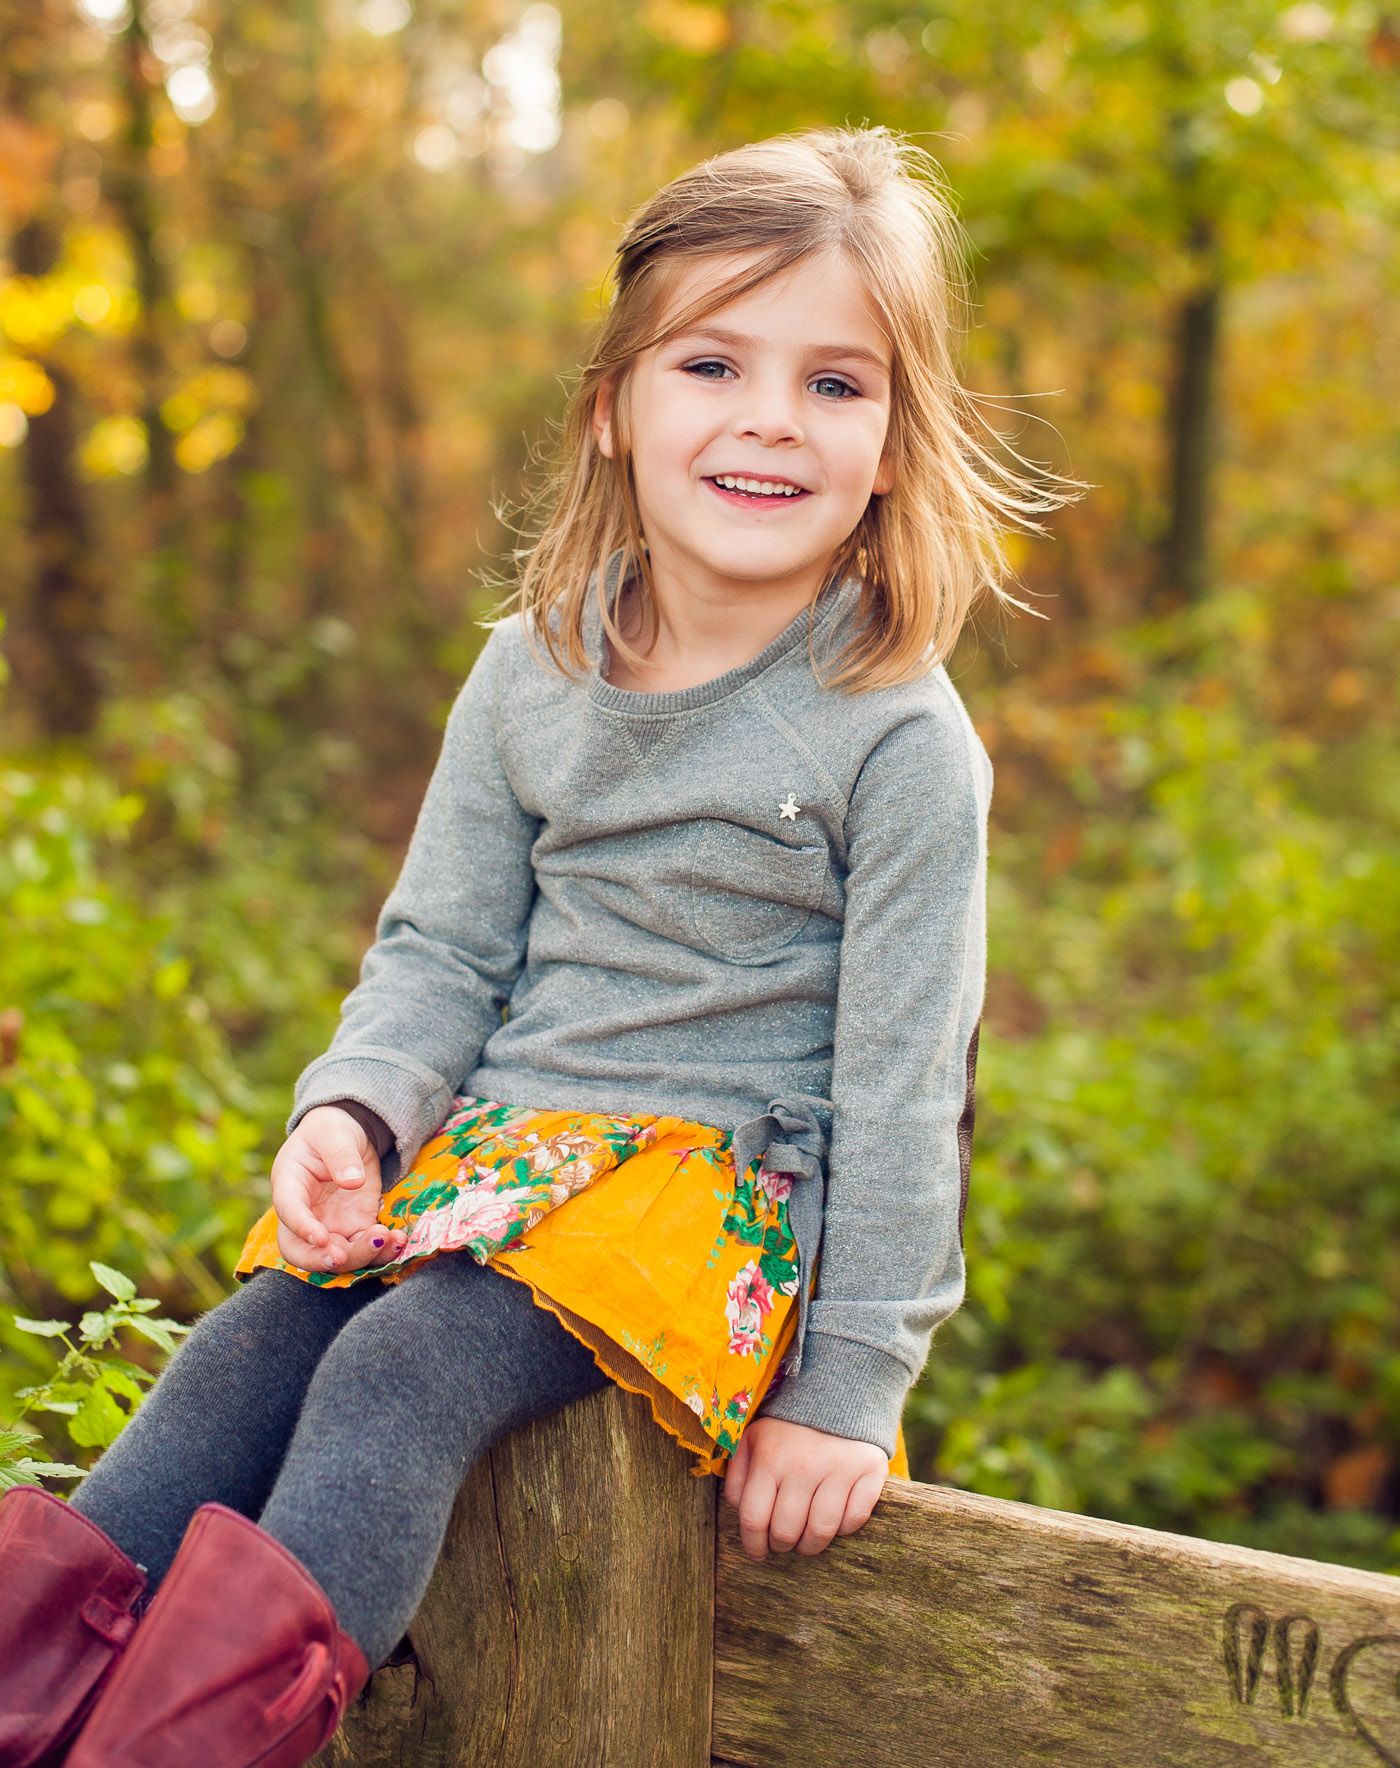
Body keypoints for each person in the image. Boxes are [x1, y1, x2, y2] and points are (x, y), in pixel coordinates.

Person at [0, 124, 1077, 1768]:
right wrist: (353, 1111)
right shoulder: (532, 669)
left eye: (836, 383)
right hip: (502, 1168)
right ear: (613, 408)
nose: (770, 416)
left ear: (894, 442)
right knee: (256, 1342)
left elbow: (911, 1087)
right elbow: (440, 945)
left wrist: (846, 1393)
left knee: (402, 1371)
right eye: (713, 362)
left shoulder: (899, 743)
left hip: (714, 1205)